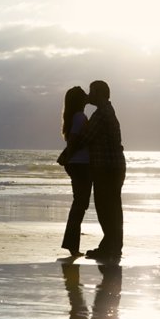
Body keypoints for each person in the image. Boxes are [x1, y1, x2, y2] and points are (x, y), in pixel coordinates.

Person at [58, 80, 125, 261]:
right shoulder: (102, 112)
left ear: (99, 93)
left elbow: (84, 138)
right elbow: (81, 138)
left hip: (108, 168)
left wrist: (65, 155)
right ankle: (111, 246)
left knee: (106, 208)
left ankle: (110, 247)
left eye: (92, 92)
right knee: (109, 208)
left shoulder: (101, 114)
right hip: (110, 167)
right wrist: (67, 155)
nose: (89, 95)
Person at [59, 86, 92, 257]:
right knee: (80, 205)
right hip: (80, 164)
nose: (88, 96)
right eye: (84, 95)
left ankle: (71, 245)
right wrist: (68, 157)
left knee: (79, 204)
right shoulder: (79, 117)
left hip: (78, 163)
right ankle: (72, 246)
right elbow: (73, 141)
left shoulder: (74, 116)